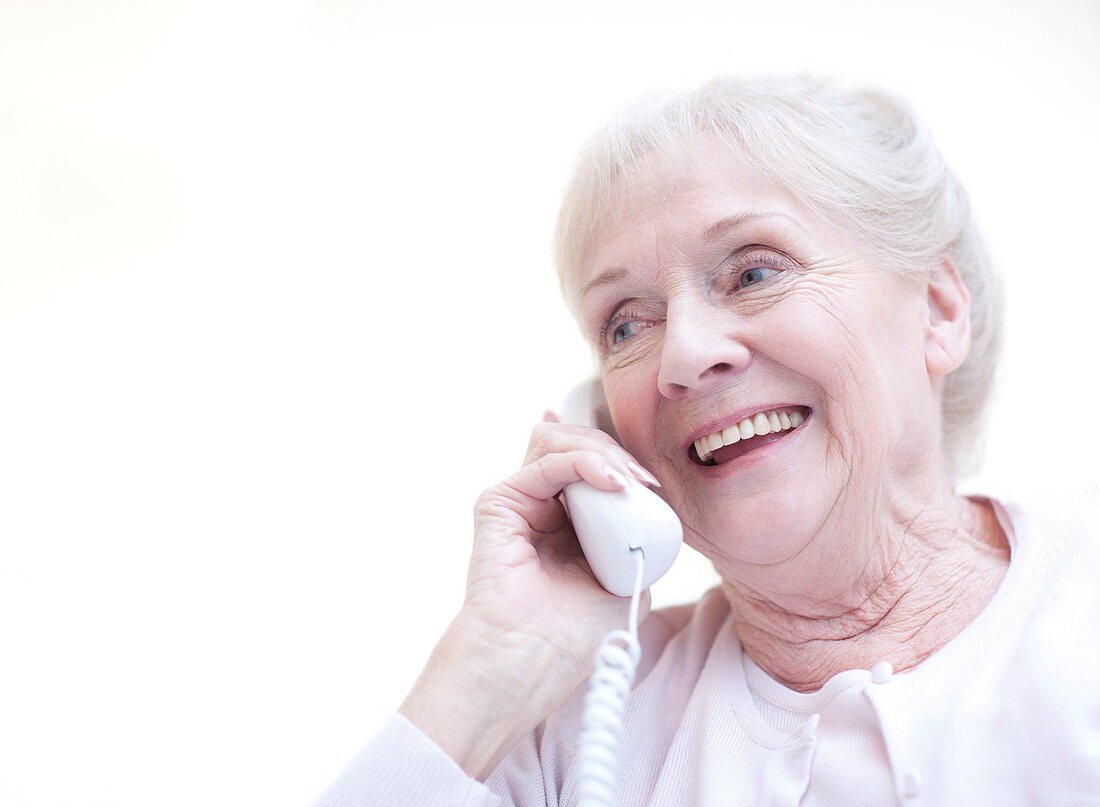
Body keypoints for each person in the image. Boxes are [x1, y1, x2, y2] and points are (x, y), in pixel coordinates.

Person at [314, 74, 1100, 806]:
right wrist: (490, 668)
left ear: (937, 310)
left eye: (753, 272)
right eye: (627, 323)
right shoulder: (577, 732)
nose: (684, 355)